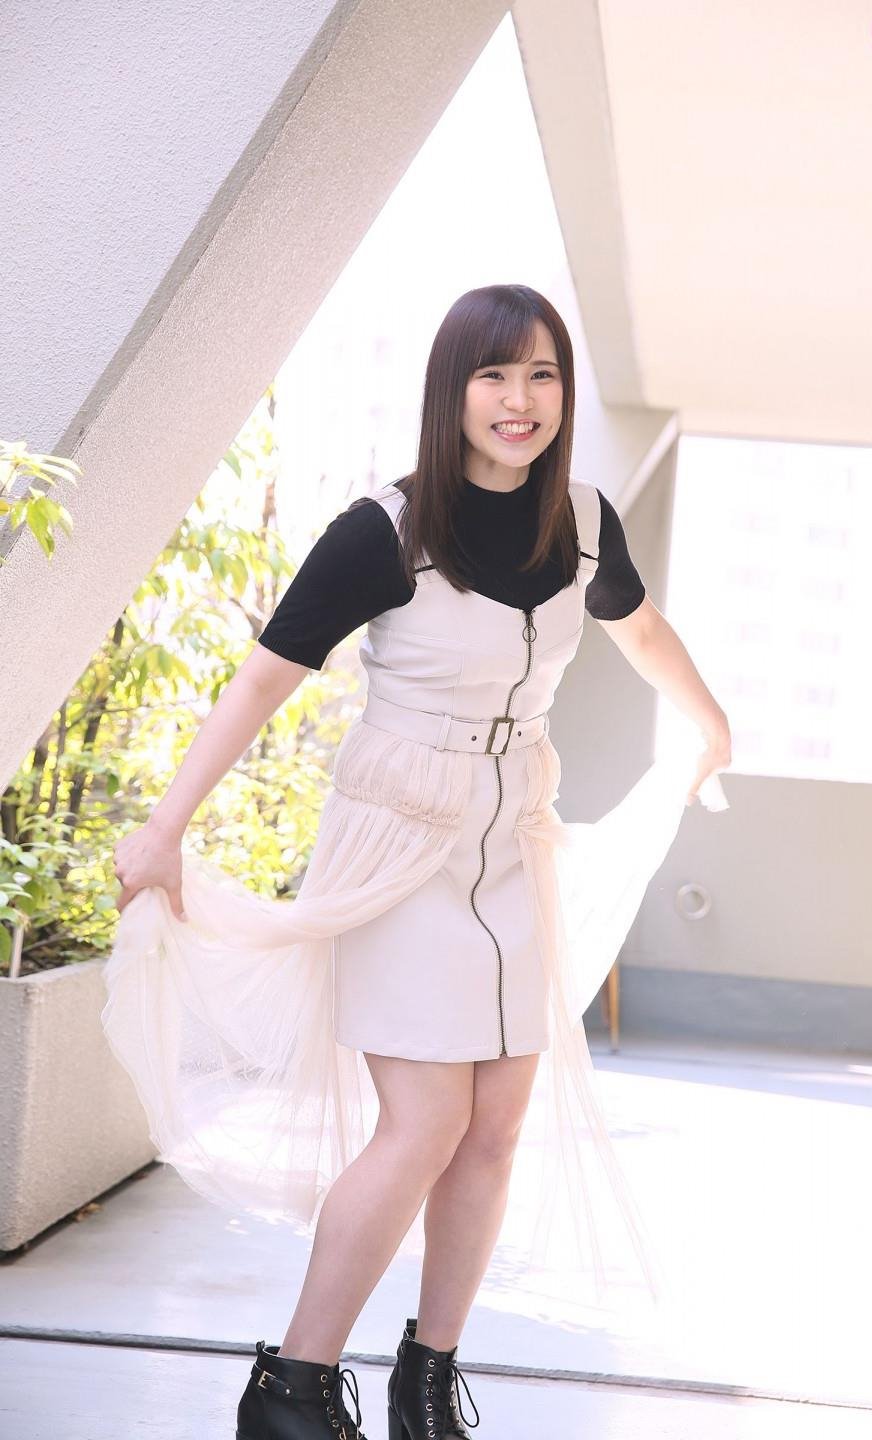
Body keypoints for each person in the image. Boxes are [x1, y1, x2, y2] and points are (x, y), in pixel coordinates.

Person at [103, 283, 731, 1440]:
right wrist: (166, 828)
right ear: (454, 391)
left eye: (542, 374)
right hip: (399, 841)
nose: (519, 399)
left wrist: (710, 724)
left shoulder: (585, 520)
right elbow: (264, 676)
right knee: (425, 1122)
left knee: (496, 1127)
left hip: (516, 839)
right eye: (495, 374)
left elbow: (638, 627)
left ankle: (425, 1382)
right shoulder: (384, 531)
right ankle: (292, 1390)